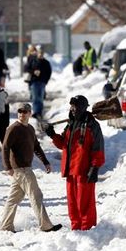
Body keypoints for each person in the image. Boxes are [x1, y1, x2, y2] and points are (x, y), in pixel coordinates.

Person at [0, 103, 62, 233]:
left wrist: (45, 161)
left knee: (13, 199)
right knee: (36, 195)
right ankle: (46, 225)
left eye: (25, 111)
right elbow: (5, 147)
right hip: (21, 168)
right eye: (20, 111)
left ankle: (5, 226)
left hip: (25, 167)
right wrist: (7, 167)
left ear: (29, 113)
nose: (22, 114)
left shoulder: (30, 129)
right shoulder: (13, 128)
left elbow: (36, 147)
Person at [45, 95, 104, 230]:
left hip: (84, 170)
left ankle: (87, 228)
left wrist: (94, 168)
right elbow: (63, 144)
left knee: (85, 202)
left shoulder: (92, 125)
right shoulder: (71, 124)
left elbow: (98, 149)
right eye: (71, 106)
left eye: (75, 107)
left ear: (83, 108)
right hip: (70, 169)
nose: (72, 109)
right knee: (72, 203)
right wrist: (52, 134)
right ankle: (76, 227)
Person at [27, 46, 52, 119]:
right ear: (37, 53)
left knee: (40, 98)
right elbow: (27, 69)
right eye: (39, 53)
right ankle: (35, 112)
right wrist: (33, 72)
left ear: (43, 54)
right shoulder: (33, 61)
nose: (40, 54)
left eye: (42, 53)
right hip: (34, 81)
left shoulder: (46, 62)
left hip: (42, 82)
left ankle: (39, 112)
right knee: (35, 98)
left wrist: (45, 81)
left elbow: (49, 72)